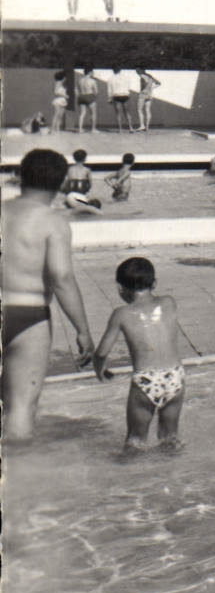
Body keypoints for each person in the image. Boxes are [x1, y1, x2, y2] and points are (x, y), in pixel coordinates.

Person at [2, 149, 96, 440]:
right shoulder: (52, 222)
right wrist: (82, 330)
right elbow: (61, 277)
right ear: (63, 183)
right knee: (20, 408)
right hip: (28, 315)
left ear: (20, 175)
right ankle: (19, 482)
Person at [90, 257, 187, 451]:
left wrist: (99, 370)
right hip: (175, 377)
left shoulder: (122, 314)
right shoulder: (169, 302)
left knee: (135, 442)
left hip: (146, 380)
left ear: (120, 289)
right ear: (155, 283)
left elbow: (101, 352)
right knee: (170, 439)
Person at [108, 66, 136, 132]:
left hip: (116, 95)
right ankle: (130, 128)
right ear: (120, 70)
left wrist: (109, 99)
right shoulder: (126, 77)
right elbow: (129, 88)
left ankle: (120, 129)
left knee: (118, 113)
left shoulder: (110, 79)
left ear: (113, 70)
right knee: (127, 112)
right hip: (125, 95)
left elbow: (109, 90)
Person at [75, 66, 100, 133]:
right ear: (90, 72)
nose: (93, 73)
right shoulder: (92, 81)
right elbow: (96, 91)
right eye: (92, 72)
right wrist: (94, 97)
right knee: (93, 113)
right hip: (90, 95)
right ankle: (93, 129)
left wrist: (78, 96)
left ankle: (80, 129)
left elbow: (76, 90)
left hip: (82, 96)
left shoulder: (80, 80)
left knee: (82, 113)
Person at [136, 67, 160, 132]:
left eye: (137, 70)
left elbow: (144, 83)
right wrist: (151, 88)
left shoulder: (142, 76)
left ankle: (142, 125)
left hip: (143, 94)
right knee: (147, 110)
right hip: (150, 94)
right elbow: (158, 83)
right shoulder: (150, 76)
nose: (136, 72)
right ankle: (147, 126)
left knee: (139, 110)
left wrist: (143, 89)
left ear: (141, 70)